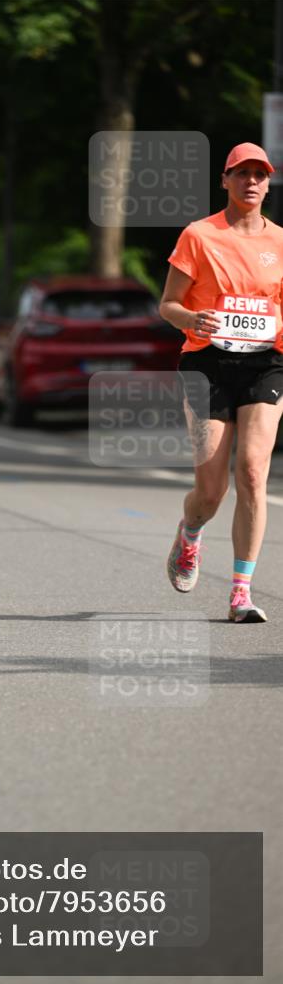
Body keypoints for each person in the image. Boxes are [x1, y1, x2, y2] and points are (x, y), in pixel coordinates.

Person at [160, 142, 283, 623]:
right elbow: (167, 304)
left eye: (260, 174)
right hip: (206, 362)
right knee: (210, 490)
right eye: (242, 173)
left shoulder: (281, 242)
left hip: (266, 364)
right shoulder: (199, 235)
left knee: (253, 472)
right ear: (225, 180)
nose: (251, 181)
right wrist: (193, 316)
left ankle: (241, 592)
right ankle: (190, 533)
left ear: (269, 183)